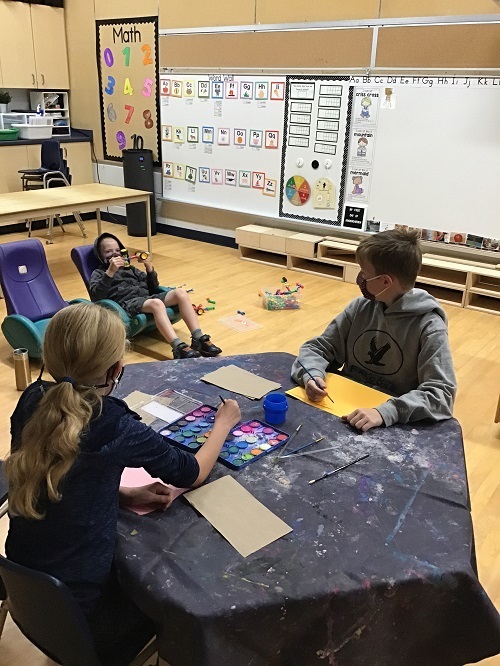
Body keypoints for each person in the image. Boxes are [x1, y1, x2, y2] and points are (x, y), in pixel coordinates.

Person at [4, 302, 240, 662]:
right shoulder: (115, 426)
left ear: (48, 358)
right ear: (116, 369)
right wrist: (223, 423)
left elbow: (55, 475)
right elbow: (193, 472)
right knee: (184, 603)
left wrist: (123, 493)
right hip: (84, 616)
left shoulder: (31, 400)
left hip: (27, 587)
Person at [291, 229, 457, 432]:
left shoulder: (429, 327)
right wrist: (312, 375)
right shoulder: (360, 308)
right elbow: (318, 348)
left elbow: (441, 394)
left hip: (390, 425)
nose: (360, 278)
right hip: (344, 410)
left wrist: (385, 412)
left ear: (385, 281)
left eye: (365, 273)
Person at [89, 232, 222, 359]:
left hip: (146, 299)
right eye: (108, 251)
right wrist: (110, 272)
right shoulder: (99, 273)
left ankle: (198, 338)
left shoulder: (130, 269)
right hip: (127, 304)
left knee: (181, 292)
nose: (114, 254)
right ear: (100, 256)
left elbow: (153, 287)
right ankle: (177, 347)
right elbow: (96, 296)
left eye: (117, 250)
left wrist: (148, 266)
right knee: (156, 303)